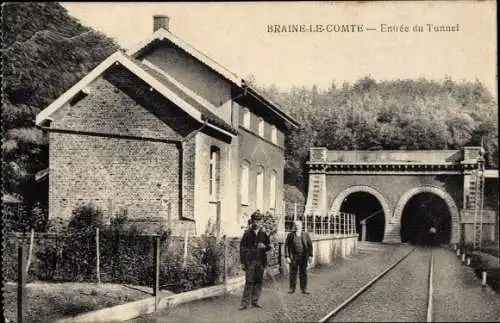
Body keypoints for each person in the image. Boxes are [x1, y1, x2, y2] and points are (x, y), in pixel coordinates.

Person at [239, 210, 271, 310]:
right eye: (255, 221)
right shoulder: (247, 234)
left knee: (258, 282)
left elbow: (269, 246)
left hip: (260, 262)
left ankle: (255, 301)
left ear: (261, 222)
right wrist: (243, 263)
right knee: (249, 282)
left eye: (258, 221)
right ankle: (244, 304)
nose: (256, 223)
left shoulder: (264, 234)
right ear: (252, 221)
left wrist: (265, 246)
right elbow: (242, 248)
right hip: (250, 262)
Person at [285, 220, 313, 295]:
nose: (297, 226)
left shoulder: (306, 235)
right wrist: (287, 256)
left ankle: (304, 289)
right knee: (293, 273)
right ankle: (292, 288)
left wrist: (310, 256)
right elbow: (287, 246)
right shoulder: (290, 235)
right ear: (294, 226)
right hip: (293, 256)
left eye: (298, 225)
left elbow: (310, 245)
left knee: (303, 273)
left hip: (303, 256)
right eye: (295, 225)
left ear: (301, 226)